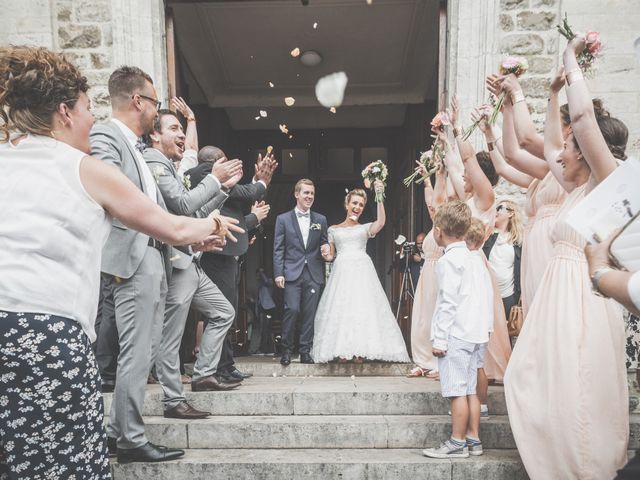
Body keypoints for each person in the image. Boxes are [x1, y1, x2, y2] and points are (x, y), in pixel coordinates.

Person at [0, 46, 235, 478]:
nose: (94, 119)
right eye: (89, 109)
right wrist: (214, 223)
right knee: (61, 465)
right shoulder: (85, 165)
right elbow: (175, 226)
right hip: (44, 337)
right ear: (65, 112)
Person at [505, 33, 629, 479]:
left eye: (572, 145)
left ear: (590, 148)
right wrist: (528, 95)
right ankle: (556, 454)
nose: (563, 153)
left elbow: (580, 116)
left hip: (581, 296)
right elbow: (524, 144)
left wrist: (570, 58)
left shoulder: (606, 180)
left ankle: (580, 464)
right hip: (556, 295)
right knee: (534, 376)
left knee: (577, 381)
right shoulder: (577, 185)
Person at [144, 108, 245, 420]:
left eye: (181, 128)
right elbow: (183, 205)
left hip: (192, 261)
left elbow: (196, 215)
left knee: (223, 312)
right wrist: (216, 178)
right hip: (176, 262)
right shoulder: (153, 161)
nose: (181, 135)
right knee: (170, 336)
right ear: (154, 135)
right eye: (173, 128)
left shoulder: (172, 167)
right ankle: (173, 400)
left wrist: (224, 188)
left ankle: (203, 375)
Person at [190, 146, 277, 382]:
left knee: (227, 311)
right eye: (227, 162)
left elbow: (238, 201)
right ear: (216, 162)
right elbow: (247, 194)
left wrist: (251, 215)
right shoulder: (203, 174)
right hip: (216, 255)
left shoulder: (220, 184)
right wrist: (261, 182)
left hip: (228, 253)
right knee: (221, 311)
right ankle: (218, 367)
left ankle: (226, 365)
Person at [422, 201, 492, 459]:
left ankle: (457, 442)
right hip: (477, 334)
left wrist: (440, 339)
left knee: (456, 391)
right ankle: (474, 439)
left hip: (457, 334)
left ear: (438, 231)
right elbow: (486, 296)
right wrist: (486, 330)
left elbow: (448, 303)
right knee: (471, 390)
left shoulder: (449, 260)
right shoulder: (475, 259)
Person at [311, 182, 410, 363]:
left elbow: (381, 222)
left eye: (361, 205)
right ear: (347, 204)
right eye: (354, 203)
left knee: (362, 307)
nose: (357, 207)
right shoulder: (333, 229)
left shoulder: (364, 228)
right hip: (341, 272)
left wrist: (379, 196)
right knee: (343, 308)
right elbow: (330, 256)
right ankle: (342, 350)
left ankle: (360, 351)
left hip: (362, 271)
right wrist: (325, 252)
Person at [273, 178, 329, 365]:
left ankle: (305, 351)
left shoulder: (320, 220)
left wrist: (325, 248)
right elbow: (278, 248)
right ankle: (286, 350)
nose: (309, 196)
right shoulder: (283, 219)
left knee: (309, 313)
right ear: (297, 194)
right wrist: (278, 272)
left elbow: (324, 242)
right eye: (306, 192)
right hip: (291, 272)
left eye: (312, 193)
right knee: (292, 310)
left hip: (313, 272)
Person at [408, 154, 446, 378]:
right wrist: (427, 180)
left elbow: (434, 204)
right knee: (422, 317)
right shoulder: (435, 226)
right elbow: (431, 204)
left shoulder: (446, 226)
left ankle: (438, 362)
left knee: (436, 316)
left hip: (440, 272)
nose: (432, 209)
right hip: (427, 273)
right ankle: (423, 360)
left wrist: (436, 178)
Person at [482, 200, 523, 319]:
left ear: (510, 213)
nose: (495, 211)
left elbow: (523, 269)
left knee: (505, 335)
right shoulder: (487, 237)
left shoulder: (518, 242)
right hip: (487, 293)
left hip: (508, 296)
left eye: (499, 208)